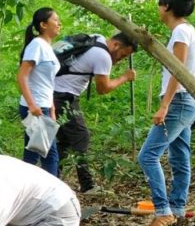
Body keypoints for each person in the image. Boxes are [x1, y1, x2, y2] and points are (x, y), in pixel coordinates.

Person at [136, 0, 195, 226]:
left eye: (159, 4)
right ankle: (177, 210)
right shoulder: (187, 31)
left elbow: (178, 70)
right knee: (179, 156)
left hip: (179, 101)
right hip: (186, 101)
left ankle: (163, 211)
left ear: (166, 7)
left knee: (148, 155)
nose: (158, 9)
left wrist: (164, 106)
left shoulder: (181, 33)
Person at [53, 33, 137, 194]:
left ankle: (52, 178)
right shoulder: (103, 56)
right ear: (116, 45)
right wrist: (125, 77)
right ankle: (87, 185)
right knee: (81, 136)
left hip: (56, 92)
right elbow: (102, 88)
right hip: (64, 96)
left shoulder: (96, 39)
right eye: (123, 55)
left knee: (64, 140)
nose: (121, 59)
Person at [17, 7, 62, 175]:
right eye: (55, 20)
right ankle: (53, 197)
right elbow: (22, 76)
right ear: (43, 25)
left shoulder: (47, 47)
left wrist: (52, 108)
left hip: (43, 106)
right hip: (35, 107)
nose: (59, 23)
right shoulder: (36, 45)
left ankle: (22, 192)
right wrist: (32, 106)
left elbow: (46, 81)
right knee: (50, 155)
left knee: (32, 154)